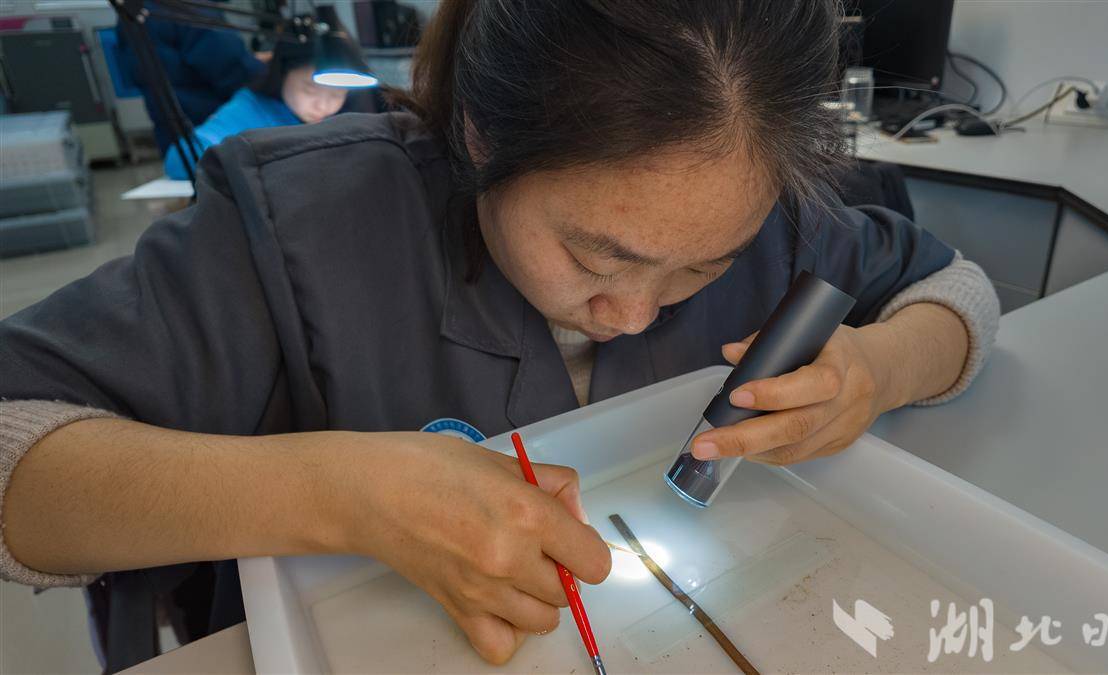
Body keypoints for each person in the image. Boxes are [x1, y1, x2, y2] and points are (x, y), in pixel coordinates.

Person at [0, 0, 1000, 669]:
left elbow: (958, 291)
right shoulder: (296, 227)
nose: (636, 312)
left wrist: (877, 368)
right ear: (481, 135)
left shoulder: (775, 221)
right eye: (595, 256)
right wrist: (334, 495)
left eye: (703, 269)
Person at [162, 40, 357, 180]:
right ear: (282, 73)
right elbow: (179, 160)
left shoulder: (347, 117)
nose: (322, 106)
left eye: (337, 95)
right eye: (310, 90)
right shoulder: (249, 110)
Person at [115, 0, 267, 155]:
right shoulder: (188, 8)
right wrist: (272, 71)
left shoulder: (133, 10)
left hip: (176, 139)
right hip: (218, 135)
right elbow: (235, 70)